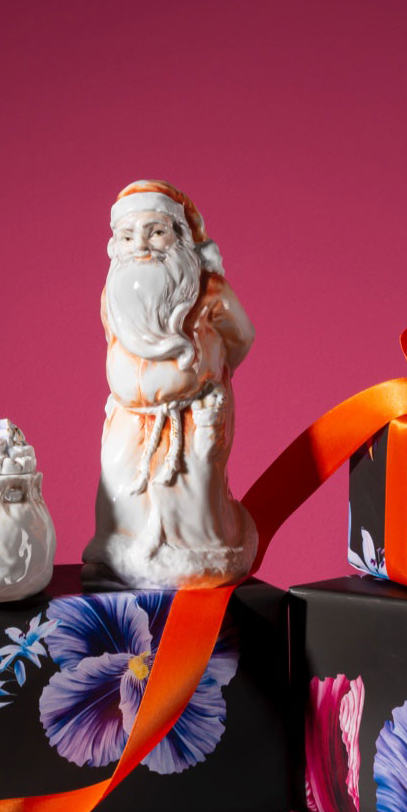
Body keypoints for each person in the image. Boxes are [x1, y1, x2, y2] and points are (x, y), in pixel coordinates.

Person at [82, 180, 256, 588]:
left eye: (155, 232)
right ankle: (118, 549)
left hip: (192, 412)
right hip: (129, 417)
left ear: (179, 236)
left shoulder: (209, 290)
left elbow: (241, 336)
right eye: (128, 236)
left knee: (191, 490)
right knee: (119, 482)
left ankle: (201, 558)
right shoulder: (114, 294)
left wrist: (207, 373)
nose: (141, 246)